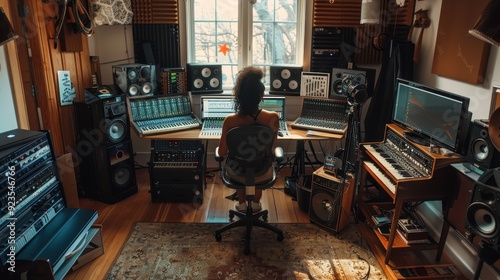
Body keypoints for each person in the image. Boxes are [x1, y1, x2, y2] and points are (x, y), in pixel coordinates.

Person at [217, 66, 280, 212]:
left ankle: (242, 204)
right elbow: (271, 148)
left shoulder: (230, 121)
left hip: (236, 174)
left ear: (239, 96)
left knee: (237, 161)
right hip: (262, 173)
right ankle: (256, 204)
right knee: (258, 159)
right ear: (261, 95)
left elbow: (221, 153)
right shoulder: (273, 118)